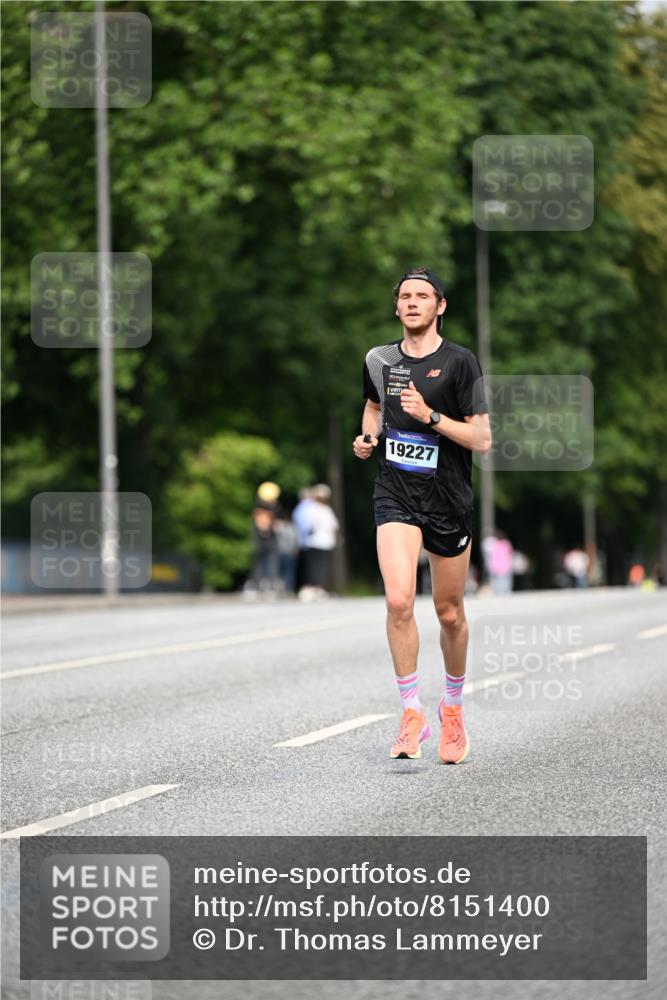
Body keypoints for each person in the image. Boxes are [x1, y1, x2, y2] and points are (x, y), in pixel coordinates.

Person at [353, 267, 491, 764]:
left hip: (448, 499)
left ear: (440, 306)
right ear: (396, 307)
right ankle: (412, 713)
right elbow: (373, 408)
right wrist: (369, 438)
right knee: (398, 600)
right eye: (405, 297)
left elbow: (482, 439)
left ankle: (451, 710)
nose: (413, 303)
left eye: (422, 296)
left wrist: (431, 417)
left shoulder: (459, 363)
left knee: (449, 613)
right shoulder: (379, 359)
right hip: (396, 493)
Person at [298, 483, 339, 600]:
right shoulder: (327, 510)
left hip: (313, 542)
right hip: (324, 542)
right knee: (320, 566)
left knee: (313, 566)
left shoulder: (311, 510)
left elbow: (306, 525)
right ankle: (316, 588)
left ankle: (313, 588)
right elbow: (334, 526)